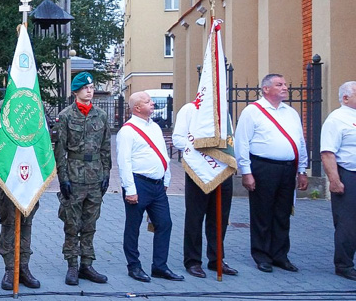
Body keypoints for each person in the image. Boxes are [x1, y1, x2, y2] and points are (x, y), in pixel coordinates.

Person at [234, 73, 308, 273]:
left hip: (287, 168)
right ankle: (262, 255)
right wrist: (246, 172)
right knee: (262, 212)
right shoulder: (253, 111)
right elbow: (242, 142)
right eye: (279, 84)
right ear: (266, 89)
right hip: (263, 167)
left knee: (283, 213)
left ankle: (280, 255)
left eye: (285, 84)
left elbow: (299, 142)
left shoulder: (291, 112)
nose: (285, 87)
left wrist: (302, 169)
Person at [116, 91, 183, 282]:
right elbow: (124, 162)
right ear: (137, 107)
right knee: (133, 227)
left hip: (157, 185)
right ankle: (134, 266)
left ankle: (160, 266)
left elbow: (163, 155)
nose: (153, 103)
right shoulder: (127, 131)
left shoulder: (154, 127)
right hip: (138, 184)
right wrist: (130, 189)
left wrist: (166, 179)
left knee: (164, 224)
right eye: (148, 101)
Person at [54, 72, 111, 286]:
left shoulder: (101, 115)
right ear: (76, 91)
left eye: (92, 87)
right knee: (72, 223)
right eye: (86, 88)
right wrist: (63, 179)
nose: (90, 91)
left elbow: (106, 147)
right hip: (74, 175)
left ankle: (87, 264)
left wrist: (106, 174)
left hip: (95, 176)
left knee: (90, 223)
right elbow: (60, 151)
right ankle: (72, 265)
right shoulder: (66, 116)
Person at [172, 101, 238, 278]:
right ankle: (193, 261)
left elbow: (230, 140)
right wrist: (201, 154)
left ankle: (217, 259)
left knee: (220, 217)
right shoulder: (189, 109)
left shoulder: (223, 113)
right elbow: (178, 138)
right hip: (198, 169)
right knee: (195, 217)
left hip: (222, 169)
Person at [0, 99, 41, 291]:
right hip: (10, 176)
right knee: (9, 224)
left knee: (26, 222)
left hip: (30, 178)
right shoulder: (2, 108)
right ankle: (10, 269)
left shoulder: (35, 105)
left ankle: (24, 267)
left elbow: (41, 142)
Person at [320, 81, 356, 281]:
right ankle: (344, 264)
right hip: (348, 174)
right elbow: (327, 153)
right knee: (348, 224)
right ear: (345, 98)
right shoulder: (337, 119)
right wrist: (334, 180)